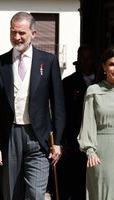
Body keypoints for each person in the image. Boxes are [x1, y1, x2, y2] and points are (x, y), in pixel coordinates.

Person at [0, 11, 65, 200]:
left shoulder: (49, 61)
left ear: (33, 34)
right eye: (13, 32)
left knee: (36, 194)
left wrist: (58, 141)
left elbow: (58, 104)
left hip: (39, 137)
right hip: (9, 136)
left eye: (21, 33)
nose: (16, 37)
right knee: (11, 194)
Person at [57, 45, 96, 200]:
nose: (86, 62)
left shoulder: (103, 83)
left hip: (97, 141)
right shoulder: (67, 83)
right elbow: (61, 114)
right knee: (75, 185)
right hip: (74, 143)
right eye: (83, 58)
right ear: (78, 60)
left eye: (89, 58)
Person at [78, 46, 114, 199]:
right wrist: (90, 151)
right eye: (112, 64)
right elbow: (88, 124)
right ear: (104, 66)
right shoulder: (94, 91)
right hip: (102, 153)